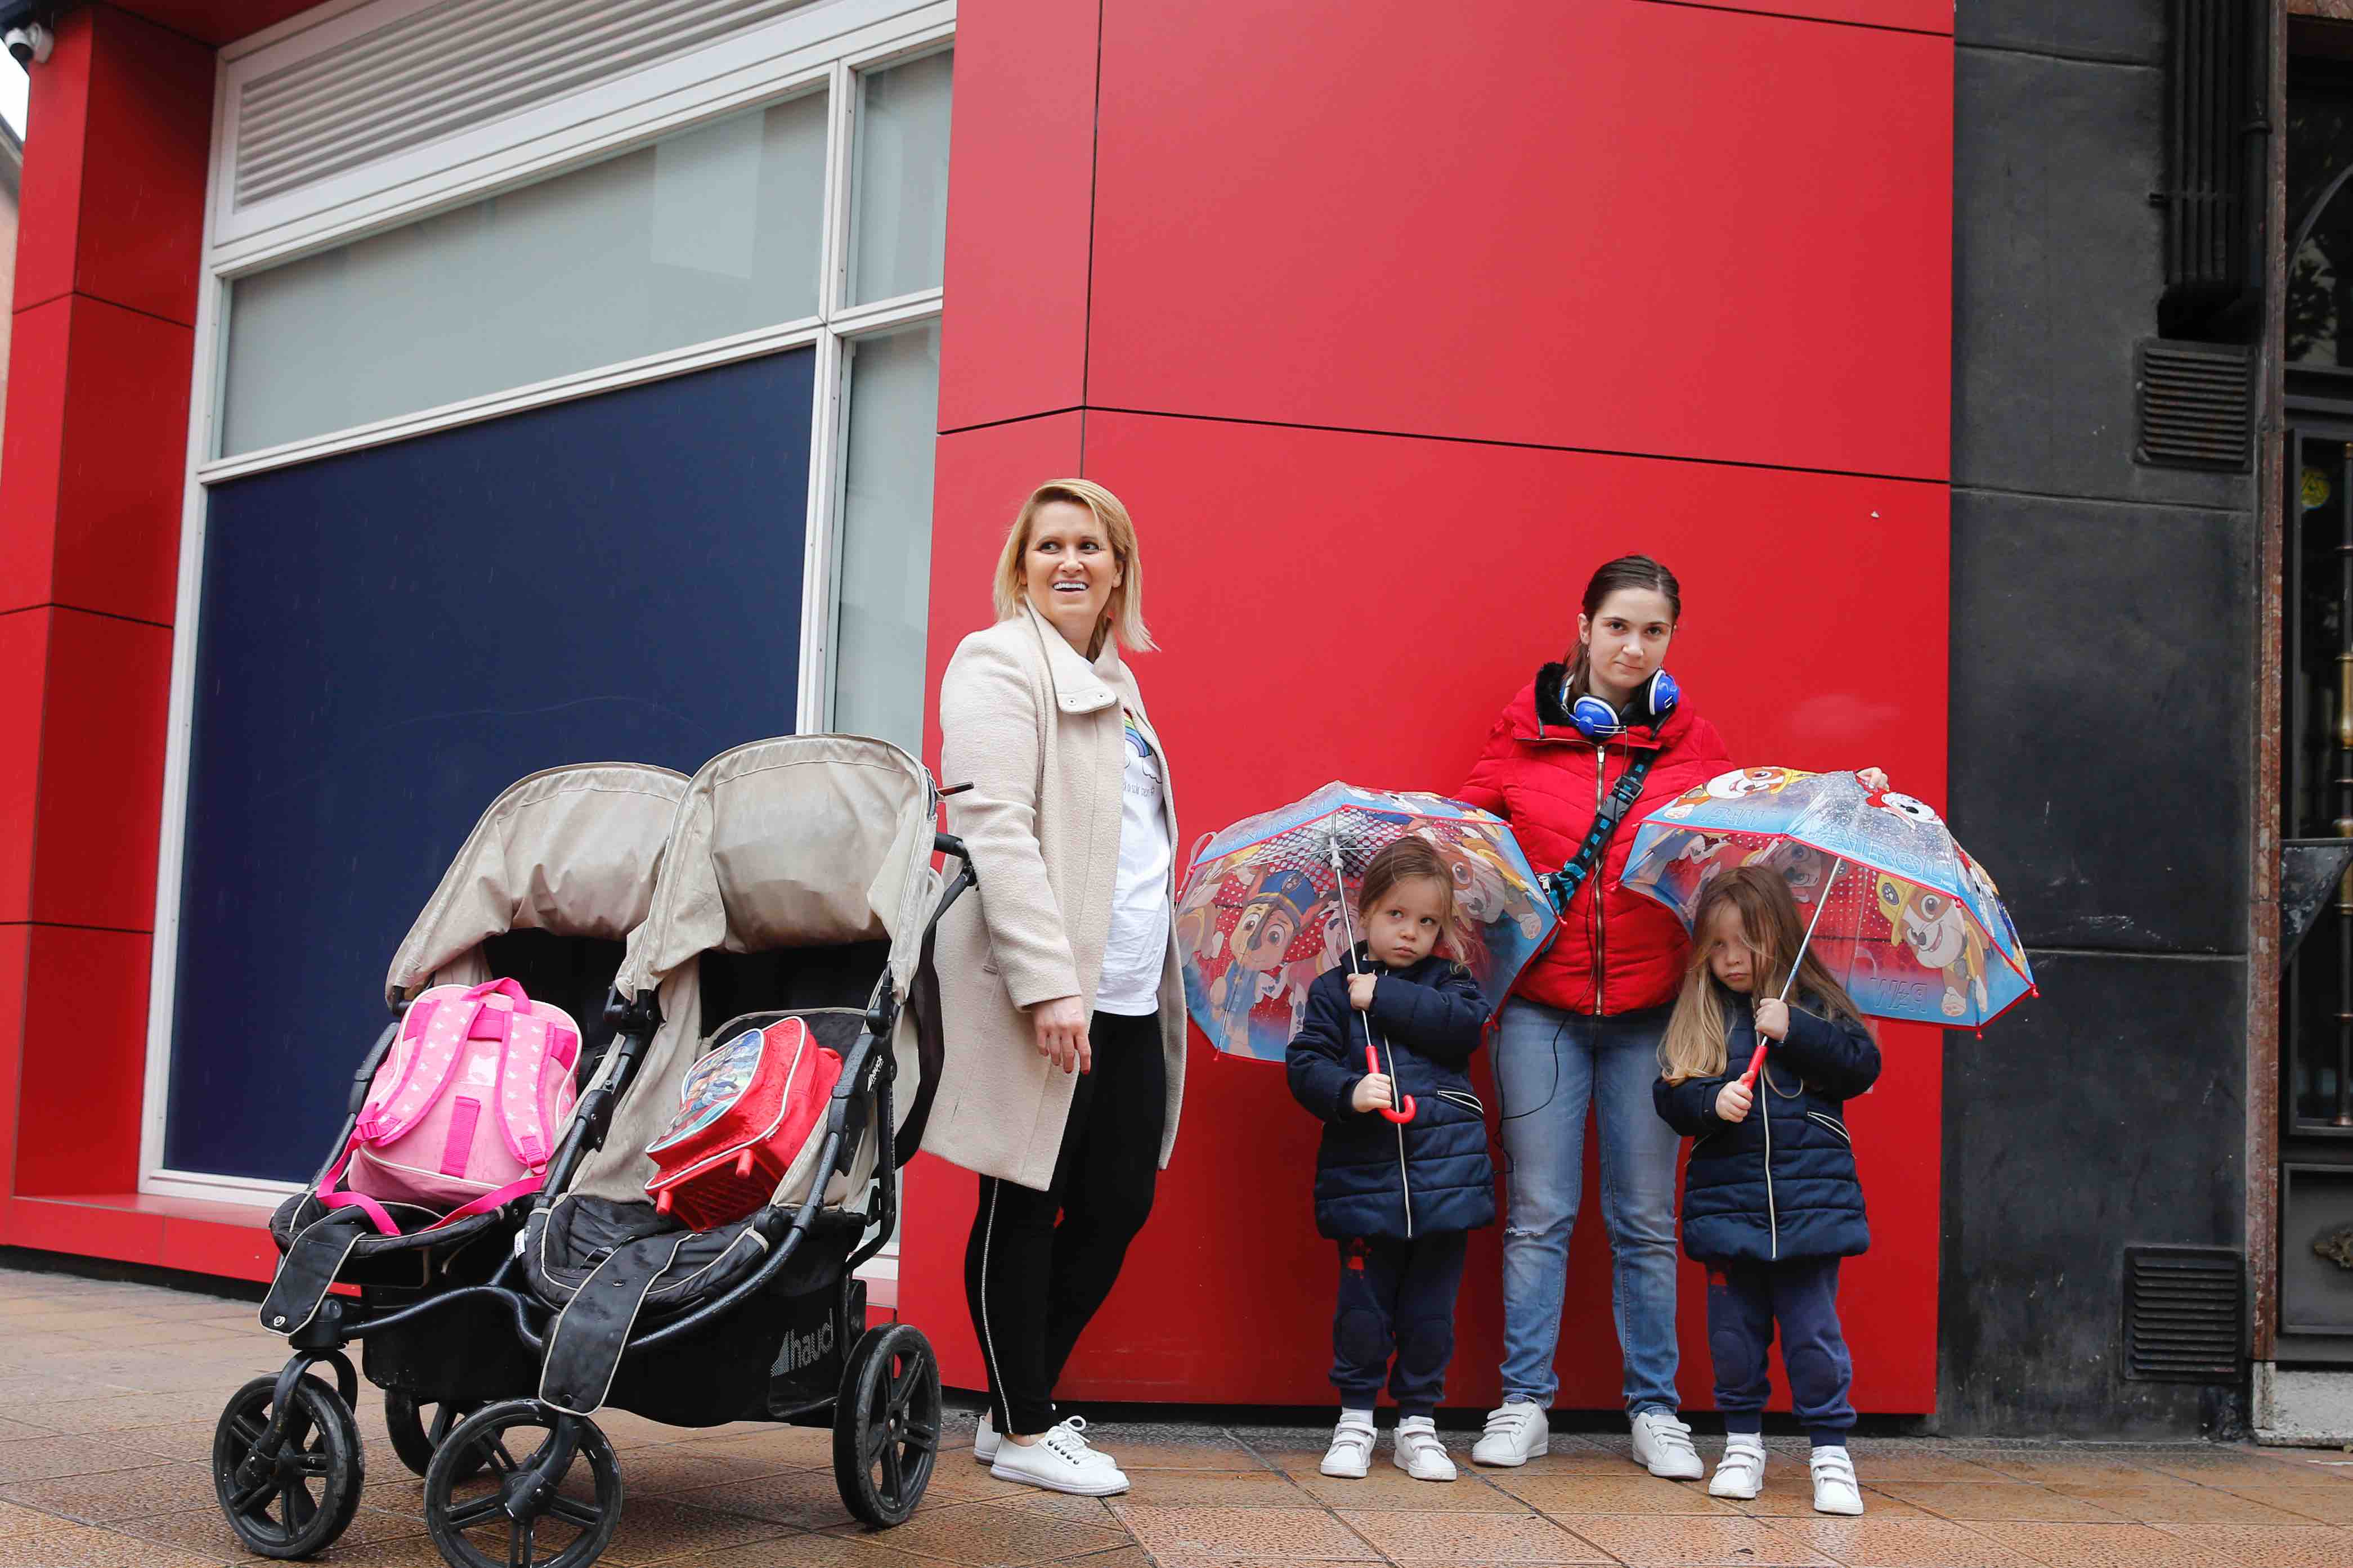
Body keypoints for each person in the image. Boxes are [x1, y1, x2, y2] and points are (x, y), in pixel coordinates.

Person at [1455, 554, 1882, 1474]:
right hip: (1541, 1010)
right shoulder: (1519, 737)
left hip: (1657, 1012)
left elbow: (1735, 869)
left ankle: (1654, 1408)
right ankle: (1523, 1399)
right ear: (1583, 626)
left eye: (1653, 631)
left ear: (1670, 640)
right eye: (1618, 626)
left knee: (1645, 1216)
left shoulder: (1696, 749)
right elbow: (1465, 856)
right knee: (1539, 1212)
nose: (1633, 645)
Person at [925, 479, 1186, 1498]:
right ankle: (1027, 1428)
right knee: (1023, 1199)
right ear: (1022, 566)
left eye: (1090, 545)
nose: (1069, 562)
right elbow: (994, 829)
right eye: (1049, 547)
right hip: (1046, 990)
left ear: (1119, 567)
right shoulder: (997, 662)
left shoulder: (1120, 685)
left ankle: (1007, 1399)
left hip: (1124, 989)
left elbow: (1122, 837)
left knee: (1118, 1202)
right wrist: (1046, 985)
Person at [1651, 866, 1880, 1516]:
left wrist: (1795, 1030)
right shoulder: (1699, 1012)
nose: (1728, 960)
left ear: (1777, 936)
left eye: (1743, 944)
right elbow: (1667, 1095)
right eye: (1716, 946)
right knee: (1733, 1340)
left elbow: (1861, 1066)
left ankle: (1829, 1452)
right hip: (1729, 1210)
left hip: (1809, 1208)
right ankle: (1743, 1444)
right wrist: (1706, 1102)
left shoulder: (1813, 1003)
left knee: (1813, 1337)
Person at [1285, 838, 1495, 1484]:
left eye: (1428, 922)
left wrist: (1382, 999)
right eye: (1396, 916)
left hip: (1444, 1181)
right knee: (1363, 1310)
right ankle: (1354, 1419)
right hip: (1364, 1182)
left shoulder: (1449, 984)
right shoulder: (1330, 991)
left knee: (1430, 1312)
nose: (1410, 933)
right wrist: (1349, 1092)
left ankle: (1417, 1424)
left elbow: (1461, 1029)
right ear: (1366, 911)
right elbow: (1306, 1063)